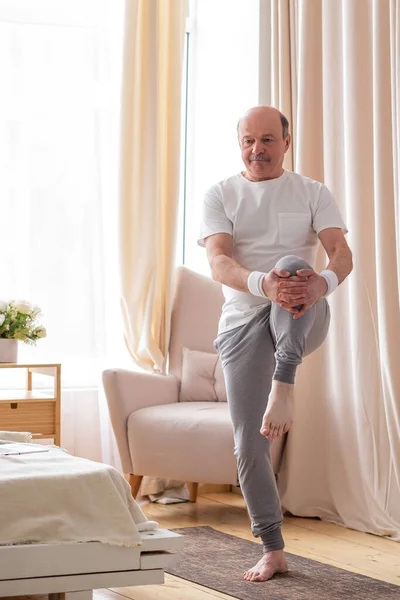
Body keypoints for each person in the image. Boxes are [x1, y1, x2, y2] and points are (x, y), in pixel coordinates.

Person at [198, 106, 353, 582]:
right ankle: (272, 548)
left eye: (267, 139)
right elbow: (219, 262)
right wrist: (264, 283)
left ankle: (284, 382)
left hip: (305, 315)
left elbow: (341, 255)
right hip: (244, 321)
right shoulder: (221, 193)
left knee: (292, 261)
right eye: (248, 140)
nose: (256, 149)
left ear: (286, 142)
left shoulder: (312, 192)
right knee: (248, 443)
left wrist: (320, 284)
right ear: (239, 143)